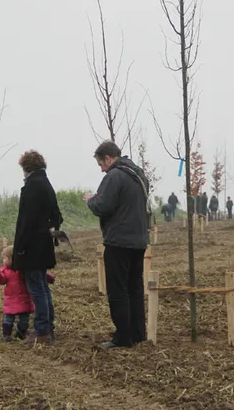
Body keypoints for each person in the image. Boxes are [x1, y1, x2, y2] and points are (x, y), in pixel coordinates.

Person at [85, 140, 149, 349]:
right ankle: (137, 333)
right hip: (138, 241)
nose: (102, 170)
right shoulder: (138, 174)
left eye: (101, 164)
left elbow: (103, 205)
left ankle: (122, 337)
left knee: (118, 289)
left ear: (109, 158)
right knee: (135, 287)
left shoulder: (114, 176)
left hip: (118, 241)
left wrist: (90, 200)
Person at [12, 150, 62, 345]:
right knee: (42, 287)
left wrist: (21, 248)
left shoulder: (33, 186)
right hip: (43, 244)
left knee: (38, 289)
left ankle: (42, 332)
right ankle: (48, 328)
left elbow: (27, 221)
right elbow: (57, 216)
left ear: (26, 167)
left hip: (33, 246)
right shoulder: (46, 184)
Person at [0, 245, 34, 341]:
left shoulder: (23, 270)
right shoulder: (5, 271)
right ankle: (6, 335)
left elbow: (35, 275)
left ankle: (20, 334)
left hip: (24, 299)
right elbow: (2, 281)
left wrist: (48, 277)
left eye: (5, 258)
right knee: (9, 318)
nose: (3, 261)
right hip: (11, 300)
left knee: (24, 319)